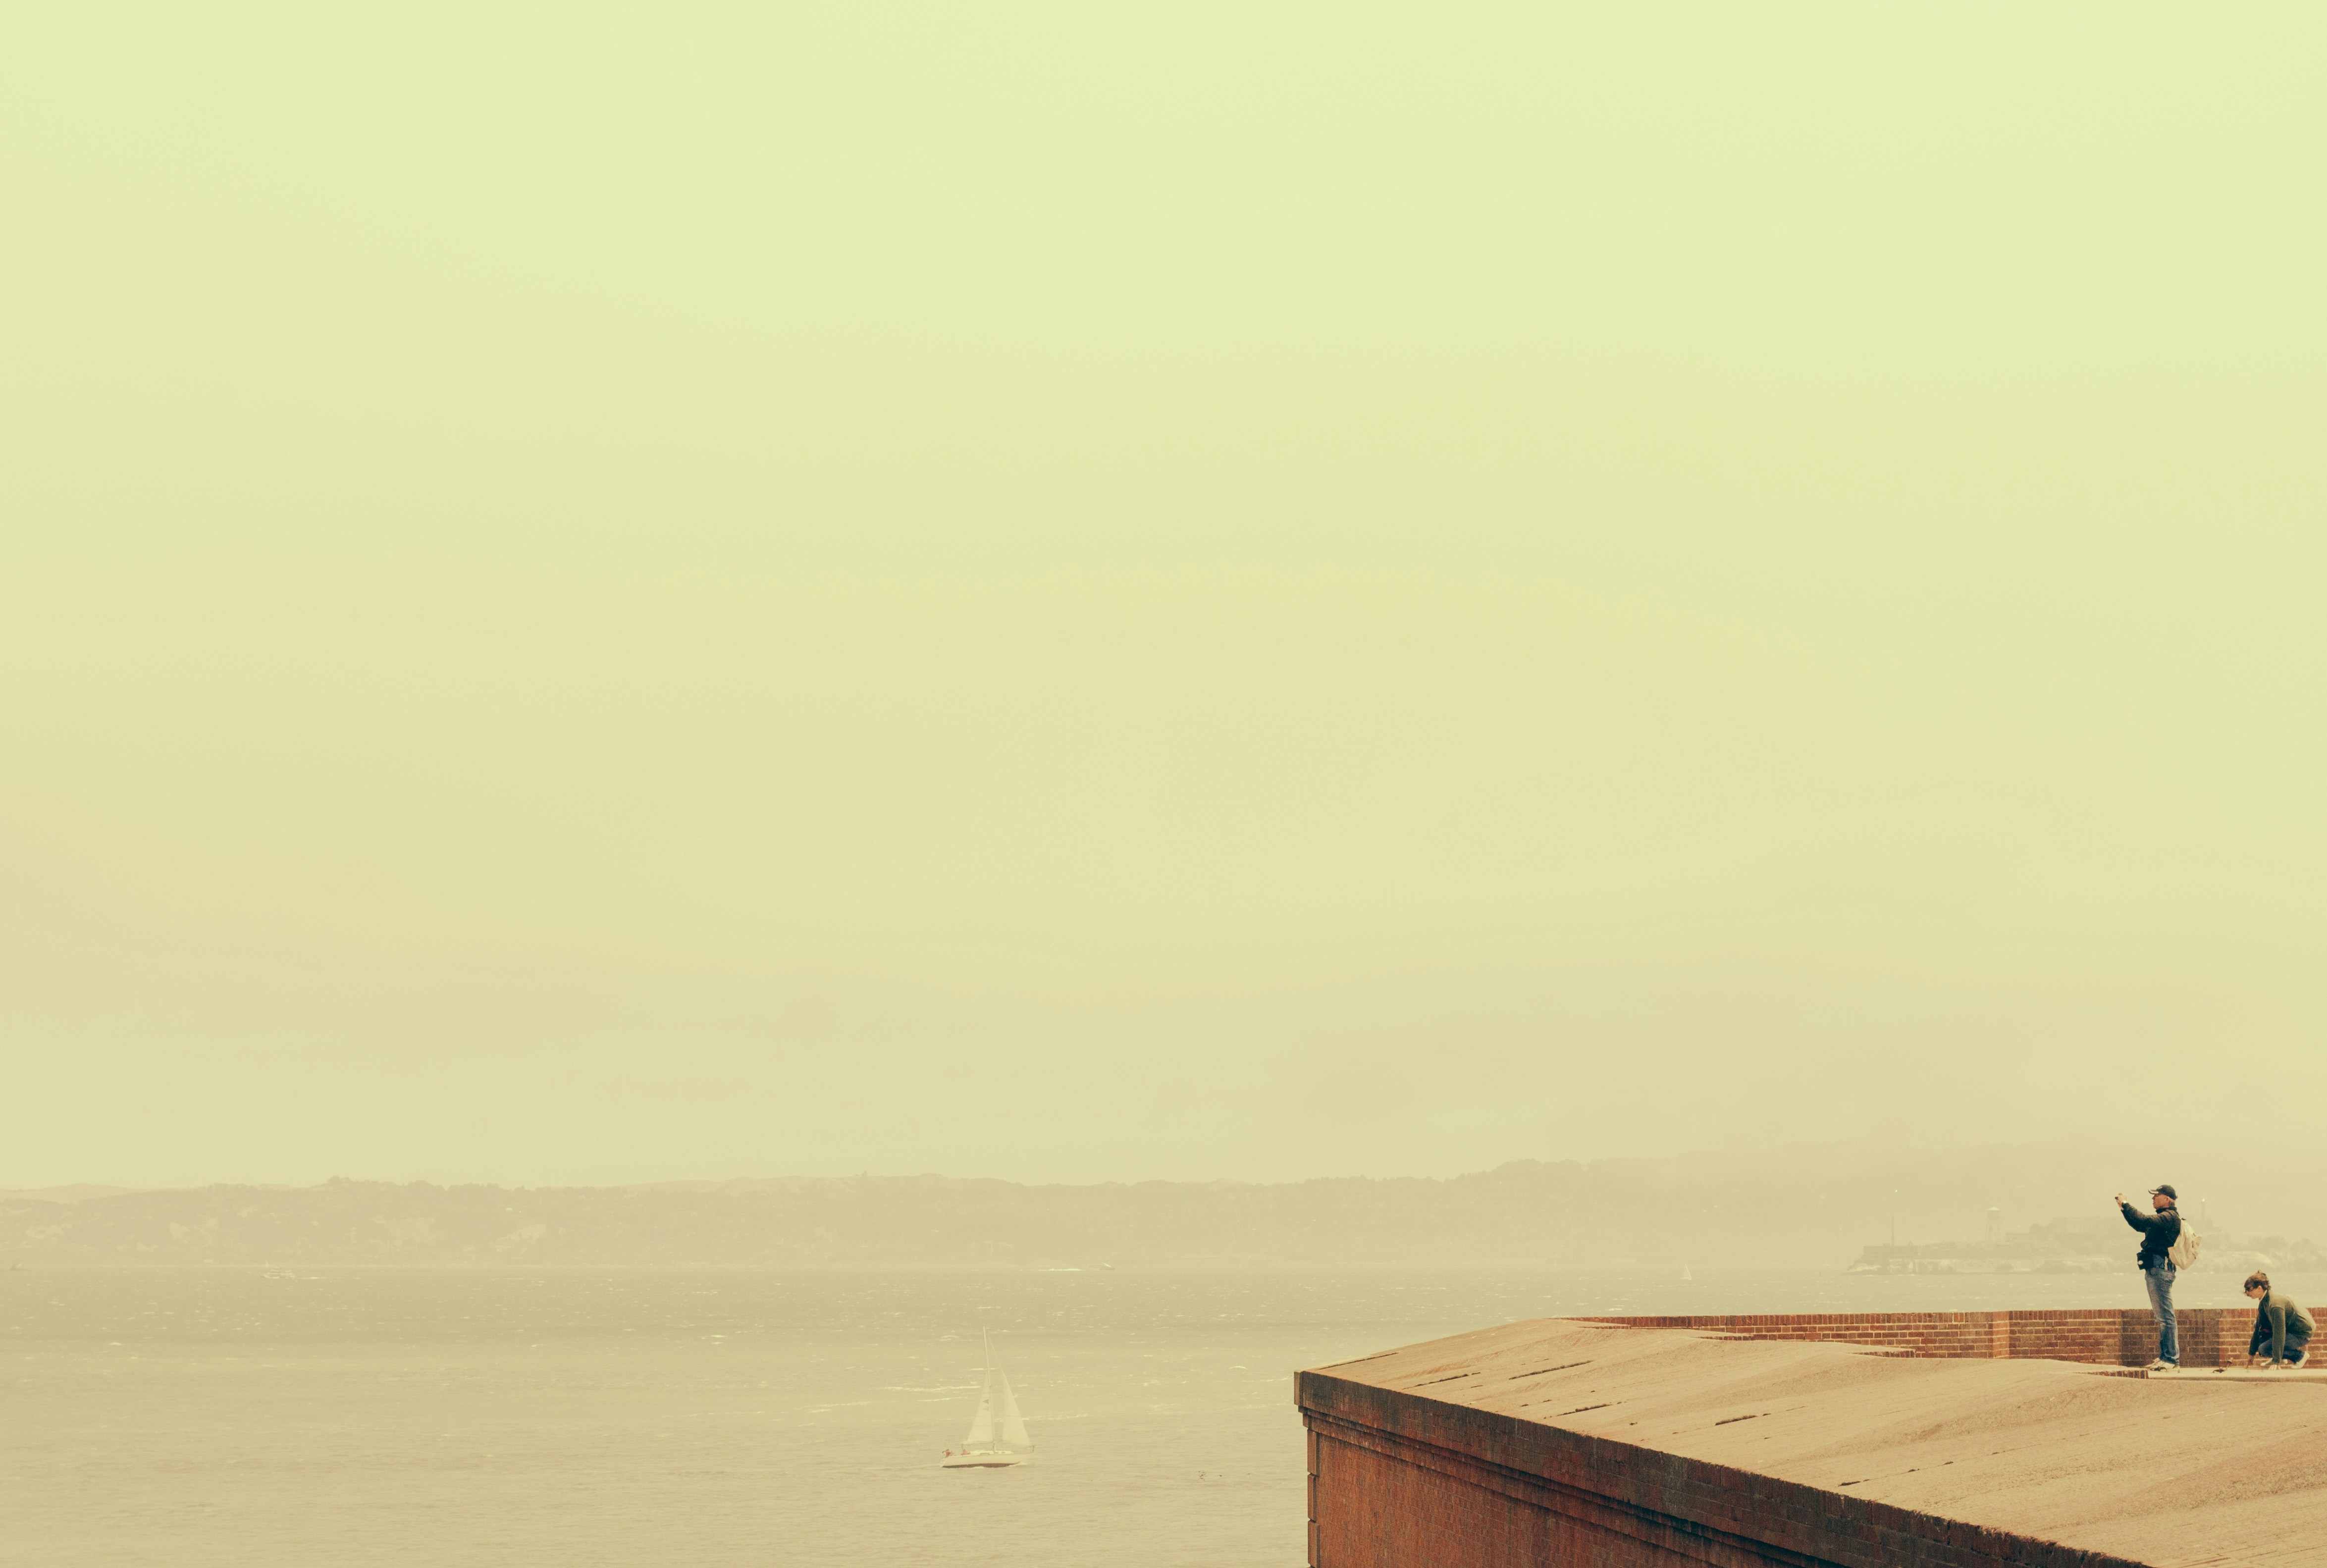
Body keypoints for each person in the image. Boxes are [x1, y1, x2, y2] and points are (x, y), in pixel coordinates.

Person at [2114, 1185, 2182, 1371]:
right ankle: (2165, 1356)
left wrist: (2126, 1203)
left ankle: (2171, 1358)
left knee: (2166, 1317)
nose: (2153, 1199)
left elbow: (2143, 1219)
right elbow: (2139, 1224)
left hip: (2161, 1269)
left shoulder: (2169, 1217)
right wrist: (2123, 1209)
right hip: (2155, 1269)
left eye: (2157, 1196)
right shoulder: (2161, 1219)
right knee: (2162, 1317)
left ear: (2168, 1199)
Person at [2244, 1271, 2314, 1369]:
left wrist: (2276, 1361)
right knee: (2259, 1333)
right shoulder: (2264, 1302)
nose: (2247, 1293)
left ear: (2259, 1288)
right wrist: (2251, 1355)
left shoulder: (2275, 1305)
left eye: (2249, 1289)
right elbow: (2258, 1329)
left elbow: (2279, 1332)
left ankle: (2300, 1356)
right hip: (2289, 1329)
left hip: (2301, 1333)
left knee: (2264, 1349)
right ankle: (2280, 1357)